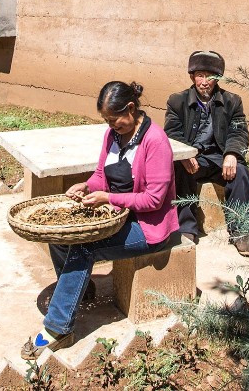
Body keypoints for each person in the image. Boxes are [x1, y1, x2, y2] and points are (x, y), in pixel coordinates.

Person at [22, 81, 178, 358]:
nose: (110, 125)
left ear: (131, 109)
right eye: (106, 120)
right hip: (118, 216)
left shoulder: (155, 141)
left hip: (148, 226)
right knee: (60, 234)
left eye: (114, 119)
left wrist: (108, 199)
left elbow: (153, 199)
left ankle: (58, 327)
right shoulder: (113, 136)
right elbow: (101, 176)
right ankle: (80, 291)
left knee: (85, 246)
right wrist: (85, 186)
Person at [164, 50, 249, 256]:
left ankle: (240, 230)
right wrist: (185, 154)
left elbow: (238, 131)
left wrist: (232, 153)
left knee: (241, 172)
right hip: (193, 157)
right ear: (192, 76)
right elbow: (172, 133)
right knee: (180, 168)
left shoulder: (232, 101)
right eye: (200, 75)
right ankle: (186, 228)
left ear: (218, 79)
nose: (204, 81)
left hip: (219, 157)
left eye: (210, 76)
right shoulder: (177, 101)